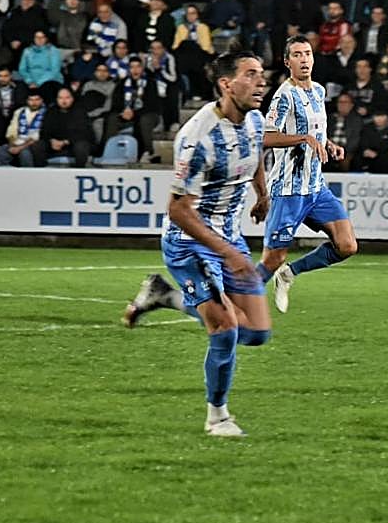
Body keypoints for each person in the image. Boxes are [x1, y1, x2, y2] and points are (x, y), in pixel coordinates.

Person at [121, 50, 272, 437]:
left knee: (256, 332)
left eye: (261, 74)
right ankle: (217, 416)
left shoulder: (254, 119)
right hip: (190, 241)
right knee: (225, 328)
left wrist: (262, 193)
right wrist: (228, 252)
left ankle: (162, 296)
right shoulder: (197, 136)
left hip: (229, 236)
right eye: (251, 75)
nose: (261, 82)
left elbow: (256, 153)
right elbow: (178, 210)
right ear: (226, 84)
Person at [256, 35, 357, 313]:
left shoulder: (319, 91)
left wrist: (328, 144)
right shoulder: (283, 95)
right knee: (272, 259)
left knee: (347, 245)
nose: (304, 60)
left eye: (308, 54)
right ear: (288, 62)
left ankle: (290, 274)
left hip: (315, 187)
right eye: (297, 55)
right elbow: (266, 137)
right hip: (288, 190)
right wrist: (303, 139)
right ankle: (235, 304)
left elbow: (316, 133)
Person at [40, 86, 92, 167]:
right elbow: (44, 131)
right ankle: (40, 171)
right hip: (54, 145)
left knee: (81, 145)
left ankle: (78, 171)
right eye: (60, 98)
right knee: (38, 145)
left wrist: (65, 142)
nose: (64, 101)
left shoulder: (80, 111)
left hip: (73, 144)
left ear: (72, 98)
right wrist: (51, 140)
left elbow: (85, 133)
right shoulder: (51, 111)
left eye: (67, 98)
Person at [0, 88, 46, 167]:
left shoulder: (46, 113)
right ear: (27, 101)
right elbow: (11, 130)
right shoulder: (19, 111)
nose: (34, 103)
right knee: (0, 152)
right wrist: (12, 144)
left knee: (25, 153)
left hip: (32, 144)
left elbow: (39, 136)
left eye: (37, 100)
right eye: (31, 100)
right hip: (17, 141)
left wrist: (21, 147)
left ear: (42, 100)